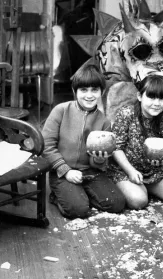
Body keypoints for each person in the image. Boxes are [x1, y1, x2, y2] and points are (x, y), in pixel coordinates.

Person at [42, 64, 126, 219]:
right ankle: (59, 196)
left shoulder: (104, 122)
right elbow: (46, 146)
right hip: (62, 172)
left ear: (102, 91)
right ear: (75, 91)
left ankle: (81, 194)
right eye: (84, 90)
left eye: (94, 90)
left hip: (90, 172)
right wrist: (66, 171)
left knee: (116, 203)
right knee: (78, 210)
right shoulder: (61, 110)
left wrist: (99, 159)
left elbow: (100, 162)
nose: (89, 95)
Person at [107, 75, 163, 209]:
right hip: (124, 170)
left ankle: (146, 187)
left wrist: (162, 159)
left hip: (152, 172)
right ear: (140, 97)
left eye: (161, 98)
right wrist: (131, 172)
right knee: (138, 201)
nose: (156, 103)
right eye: (151, 97)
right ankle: (133, 188)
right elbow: (116, 148)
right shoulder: (126, 113)